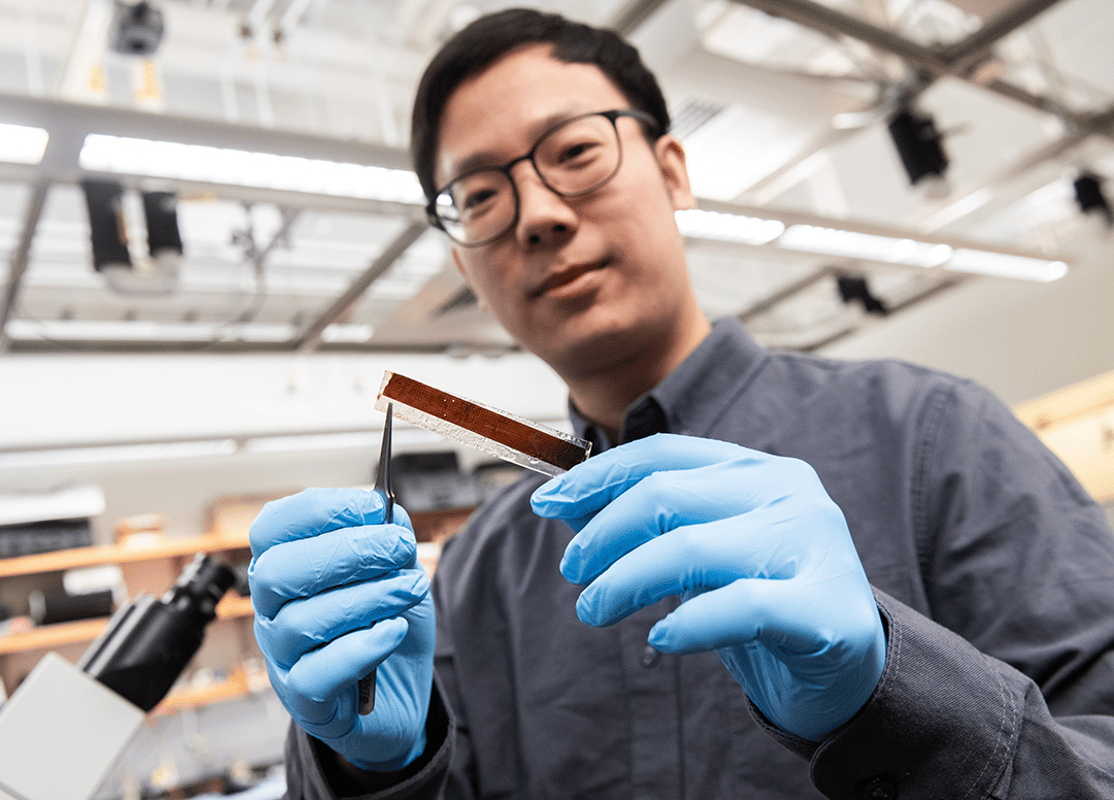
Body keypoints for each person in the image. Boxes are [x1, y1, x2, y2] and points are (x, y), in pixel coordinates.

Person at [248, 8, 1114, 799]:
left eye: (576, 153)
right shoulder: (478, 575)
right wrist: (375, 775)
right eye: (479, 196)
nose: (538, 215)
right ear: (464, 266)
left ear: (673, 170)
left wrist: (896, 691)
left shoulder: (935, 438)